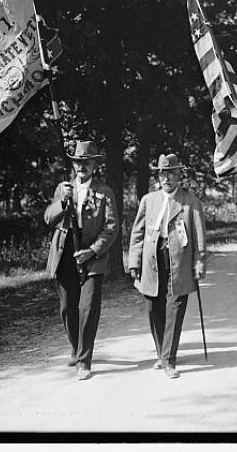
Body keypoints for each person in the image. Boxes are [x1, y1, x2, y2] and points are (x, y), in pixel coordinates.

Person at [44, 140, 119, 380]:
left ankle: (84, 361)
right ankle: (76, 348)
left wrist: (93, 251)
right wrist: (63, 202)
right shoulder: (63, 188)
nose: (81, 166)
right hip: (65, 254)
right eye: (78, 162)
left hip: (93, 257)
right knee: (68, 307)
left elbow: (111, 227)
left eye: (87, 162)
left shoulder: (105, 192)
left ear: (95, 165)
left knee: (87, 308)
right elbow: (48, 218)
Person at [128, 153, 207, 379]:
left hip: (179, 262)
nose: (167, 178)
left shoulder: (190, 201)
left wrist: (199, 262)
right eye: (163, 173)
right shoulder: (148, 200)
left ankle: (169, 359)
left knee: (175, 308)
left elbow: (199, 236)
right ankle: (163, 353)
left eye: (171, 173)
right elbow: (137, 234)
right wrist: (134, 262)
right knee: (154, 307)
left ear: (179, 175)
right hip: (153, 262)